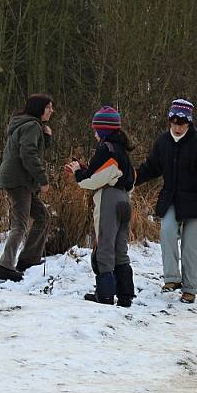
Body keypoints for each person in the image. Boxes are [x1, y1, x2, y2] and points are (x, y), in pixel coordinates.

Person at [134, 98, 197, 304]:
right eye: (173, 121)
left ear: (189, 122)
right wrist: (133, 177)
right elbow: (152, 167)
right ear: (169, 121)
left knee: (191, 246)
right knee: (167, 231)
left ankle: (189, 289)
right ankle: (172, 278)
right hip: (172, 198)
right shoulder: (163, 141)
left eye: (181, 122)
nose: (177, 126)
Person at [64, 106, 136, 307]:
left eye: (96, 129)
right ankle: (125, 296)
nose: (95, 134)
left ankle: (104, 295)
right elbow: (120, 175)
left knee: (104, 246)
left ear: (103, 130)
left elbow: (91, 180)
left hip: (109, 200)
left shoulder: (106, 149)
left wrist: (78, 171)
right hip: (125, 200)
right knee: (120, 249)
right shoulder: (122, 149)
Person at [0, 93, 54, 282]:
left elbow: (34, 149)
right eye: (48, 107)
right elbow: (28, 155)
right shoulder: (31, 126)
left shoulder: (28, 125)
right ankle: (4, 267)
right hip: (19, 181)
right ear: (39, 109)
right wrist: (43, 180)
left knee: (43, 217)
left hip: (19, 180)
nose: (52, 111)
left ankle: (28, 260)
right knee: (19, 225)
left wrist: (47, 138)